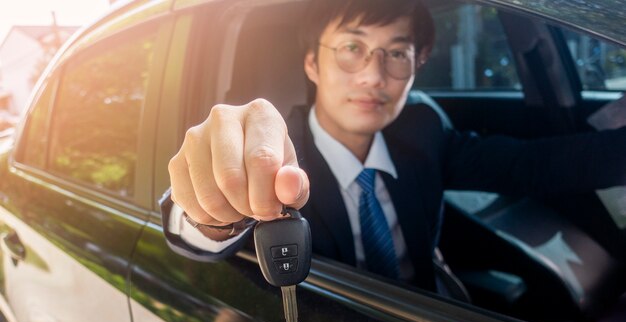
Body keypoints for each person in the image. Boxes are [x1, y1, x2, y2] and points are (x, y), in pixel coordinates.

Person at [161, 0, 626, 295]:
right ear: (312, 63)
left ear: (416, 65)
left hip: (432, 319)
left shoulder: (422, 132)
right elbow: (195, 226)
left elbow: (533, 166)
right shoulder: (277, 160)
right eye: (351, 47)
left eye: (397, 53)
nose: (373, 75)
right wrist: (209, 212)